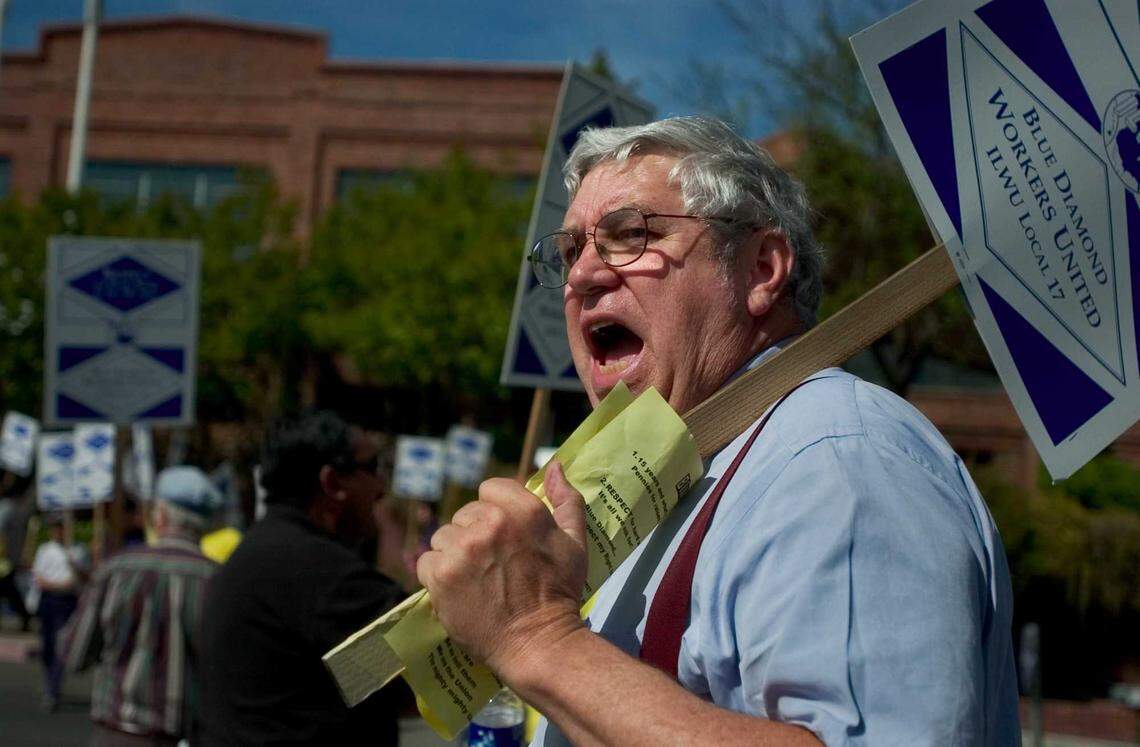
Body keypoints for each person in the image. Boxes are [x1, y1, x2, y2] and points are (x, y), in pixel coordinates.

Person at [416, 117, 1020, 745]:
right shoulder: (661, 475)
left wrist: (538, 638)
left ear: (761, 269)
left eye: (629, 235)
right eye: (571, 250)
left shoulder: (836, 460)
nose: (582, 277)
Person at [200, 411, 410, 745]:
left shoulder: (265, 551)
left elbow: (359, 678)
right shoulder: (320, 574)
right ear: (331, 483)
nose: (382, 488)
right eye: (372, 468)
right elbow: (428, 681)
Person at [61, 466, 221, 745]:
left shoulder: (117, 569)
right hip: (186, 736)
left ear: (159, 515)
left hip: (117, 734)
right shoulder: (217, 580)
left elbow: (74, 654)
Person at [32, 512, 84, 711]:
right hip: (48, 601)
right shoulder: (45, 550)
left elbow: (81, 579)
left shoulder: (77, 551)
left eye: (60, 527)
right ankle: (49, 680)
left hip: (67, 603)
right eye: (54, 527)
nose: (57, 531)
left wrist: (75, 568)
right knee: (47, 645)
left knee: (61, 645)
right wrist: (59, 585)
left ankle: (52, 688)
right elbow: (39, 578)